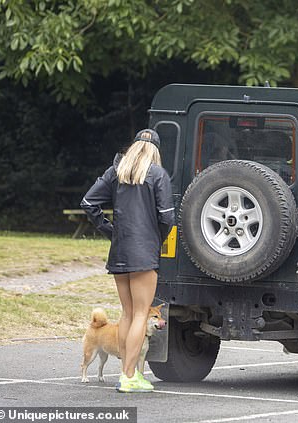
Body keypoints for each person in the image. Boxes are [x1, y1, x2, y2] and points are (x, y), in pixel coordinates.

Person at [81, 128, 175, 393]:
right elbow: (167, 217)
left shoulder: (116, 171)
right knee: (141, 314)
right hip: (144, 252)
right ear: (155, 151)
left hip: (119, 250)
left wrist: (111, 231)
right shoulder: (158, 175)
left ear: (133, 147)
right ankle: (129, 376)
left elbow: (89, 202)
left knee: (127, 313)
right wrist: (157, 237)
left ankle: (126, 374)